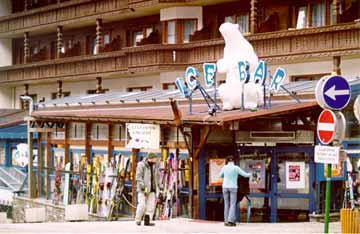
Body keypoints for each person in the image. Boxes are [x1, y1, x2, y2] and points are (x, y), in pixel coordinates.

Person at [220, 156, 251, 226]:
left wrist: (226, 176)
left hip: (225, 187)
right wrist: (251, 173)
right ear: (234, 161)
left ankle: (226, 221)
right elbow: (245, 175)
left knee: (226, 204)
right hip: (233, 187)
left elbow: (220, 175)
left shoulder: (224, 167)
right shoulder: (236, 168)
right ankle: (230, 221)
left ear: (227, 161)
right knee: (232, 204)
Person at [135, 152, 161, 226]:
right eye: (155, 158)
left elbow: (158, 177)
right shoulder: (141, 165)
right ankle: (138, 219)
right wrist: (143, 186)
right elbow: (138, 177)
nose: (156, 160)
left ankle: (147, 221)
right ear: (151, 158)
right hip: (143, 189)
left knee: (150, 206)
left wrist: (159, 185)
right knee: (142, 205)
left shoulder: (155, 166)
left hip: (152, 189)